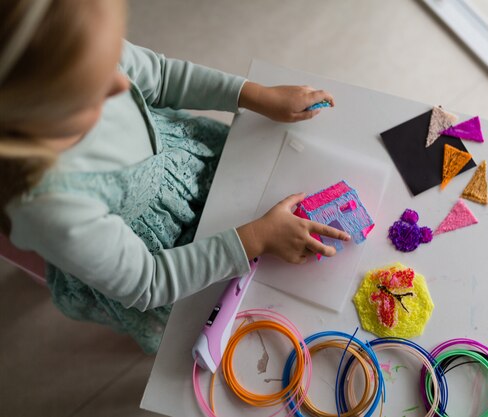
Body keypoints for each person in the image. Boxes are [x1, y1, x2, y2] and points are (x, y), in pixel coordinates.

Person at [0, 0, 349, 353]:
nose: (124, 85)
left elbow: (162, 76)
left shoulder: (80, 51)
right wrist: (255, 238)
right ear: (36, 117)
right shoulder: (50, 205)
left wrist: (254, 94)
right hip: (168, 257)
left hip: (196, 163)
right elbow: (148, 282)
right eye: (94, 91)